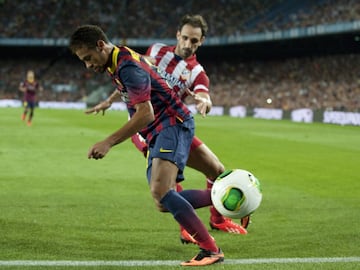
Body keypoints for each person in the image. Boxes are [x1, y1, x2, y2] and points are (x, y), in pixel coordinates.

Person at [69, 24, 224, 266]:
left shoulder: (126, 65)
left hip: (170, 124)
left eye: (88, 58)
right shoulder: (118, 58)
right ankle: (229, 197)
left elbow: (145, 113)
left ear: (100, 45)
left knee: (161, 191)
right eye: (83, 61)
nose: (88, 65)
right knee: (163, 201)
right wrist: (110, 102)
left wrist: (108, 142)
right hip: (163, 128)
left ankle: (211, 250)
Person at [89, 14, 249, 244]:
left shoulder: (197, 72)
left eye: (194, 41)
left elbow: (203, 93)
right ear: (177, 35)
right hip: (145, 127)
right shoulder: (156, 52)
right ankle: (188, 228)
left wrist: (205, 101)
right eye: (185, 38)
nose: (187, 44)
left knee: (217, 169)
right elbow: (133, 75)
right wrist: (110, 99)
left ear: (201, 42)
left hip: (173, 123)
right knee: (167, 184)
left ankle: (219, 218)